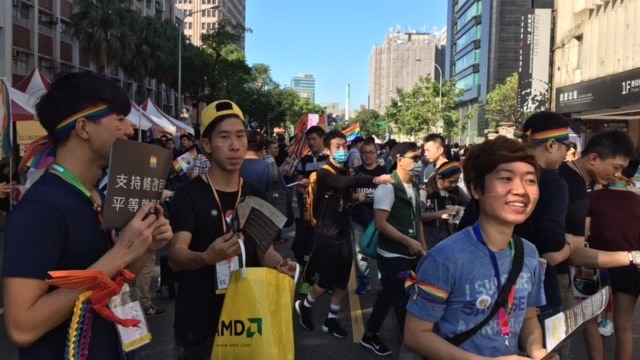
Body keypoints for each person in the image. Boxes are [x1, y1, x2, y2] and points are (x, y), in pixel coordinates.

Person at [2, 71, 173, 359]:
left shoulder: (96, 196)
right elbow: (21, 326)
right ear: (83, 128)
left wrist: (144, 249)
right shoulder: (41, 209)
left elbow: (115, 281)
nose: (129, 130)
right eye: (119, 119)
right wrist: (118, 255)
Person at [168, 100, 296, 360]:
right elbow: (176, 257)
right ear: (205, 145)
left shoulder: (255, 194)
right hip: (198, 324)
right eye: (224, 137)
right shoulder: (188, 196)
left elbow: (265, 250)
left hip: (246, 319)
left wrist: (280, 265)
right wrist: (206, 257)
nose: (235, 145)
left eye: (240, 136)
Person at [404, 136, 550, 359]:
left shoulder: (529, 253)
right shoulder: (444, 258)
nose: (520, 190)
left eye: (530, 180)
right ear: (475, 189)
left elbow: (528, 317)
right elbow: (416, 335)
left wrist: (537, 350)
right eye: (506, 178)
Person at [294, 130, 393, 339]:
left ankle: (330, 321)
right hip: (326, 235)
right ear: (328, 150)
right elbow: (344, 184)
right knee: (326, 281)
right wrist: (376, 180)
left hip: (343, 233)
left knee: (342, 281)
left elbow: (347, 191)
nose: (342, 150)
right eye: (337, 147)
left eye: (344, 146)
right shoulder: (324, 173)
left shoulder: (347, 171)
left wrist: (355, 198)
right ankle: (305, 305)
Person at [360, 142, 426, 357]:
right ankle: (413, 348)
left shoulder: (414, 185)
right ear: (399, 160)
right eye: (414, 158)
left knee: (388, 294)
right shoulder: (387, 187)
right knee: (403, 302)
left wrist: (422, 246)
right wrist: (408, 242)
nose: (418, 163)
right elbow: (381, 223)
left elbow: (417, 218)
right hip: (391, 255)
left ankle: (369, 335)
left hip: (410, 253)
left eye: (419, 158)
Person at [587, 159, 640, 360]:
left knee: (590, 322)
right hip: (630, 266)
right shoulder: (638, 202)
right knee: (623, 327)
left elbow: (582, 234)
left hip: (595, 264)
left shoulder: (592, 198)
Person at [351, 139, 387, 295]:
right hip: (358, 217)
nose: (367, 156)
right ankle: (364, 280)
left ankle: (384, 281)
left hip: (378, 218)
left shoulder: (383, 171)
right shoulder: (354, 172)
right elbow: (347, 195)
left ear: (376, 152)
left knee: (382, 250)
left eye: (371, 152)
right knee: (359, 252)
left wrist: (372, 197)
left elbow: (389, 193)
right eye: (364, 153)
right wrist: (355, 196)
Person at [294, 126, 327, 294]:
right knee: (305, 247)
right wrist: (304, 188)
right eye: (309, 140)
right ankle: (307, 280)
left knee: (325, 246)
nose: (311, 142)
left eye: (314, 139)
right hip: (307, 213)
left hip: (327, 213)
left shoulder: (330, 159)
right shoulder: (304, 160)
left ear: (322, 139)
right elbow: (298, 184)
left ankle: (325, 281)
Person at [421, 161, 469, 248]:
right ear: (440, 177)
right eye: (451, 181)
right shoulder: (425, 191)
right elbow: (419, 216)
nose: (454, 185)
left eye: (457, 181)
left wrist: (460, 210)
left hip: (450, 240)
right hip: (430, 242)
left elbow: (469, 204)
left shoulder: (457, 191)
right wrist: (439, 214)